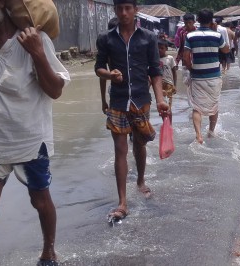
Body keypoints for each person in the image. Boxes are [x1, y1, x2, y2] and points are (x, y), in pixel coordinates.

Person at [0, 0, 70, 265]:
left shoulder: (35, 38)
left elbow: (55, 90)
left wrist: (37, 53)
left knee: (40, 200)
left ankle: (49, 249)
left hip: (29, 140)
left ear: (0, 2)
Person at [95, 0, 169, 221]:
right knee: (120, 150)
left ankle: (140, 180)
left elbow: (155, 72)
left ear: (136, 10)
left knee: (139, 144)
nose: (124, 13)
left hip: (140, 100)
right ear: (115, 11)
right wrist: (109, 75)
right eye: (120, 9)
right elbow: (98, 68)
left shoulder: (148, 38)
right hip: (117, 101)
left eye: (128, 8)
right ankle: (122, 203)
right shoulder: (106, 39)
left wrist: (160, 100)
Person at [183, 8, 229, 144]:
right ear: (212, 20)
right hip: (214, 76)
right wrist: (216, 31)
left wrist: (192, 69)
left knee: (197, 107)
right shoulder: (217, 36)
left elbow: (186, 58)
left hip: (198, 77)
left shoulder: (190, 36)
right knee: (214, 105)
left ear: (197, 21)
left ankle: (198, 135)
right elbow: (226, 49)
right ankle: (211, 132)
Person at [158, 38, 177, 114]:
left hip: (169, 84)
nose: (159, 50)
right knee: (161, 105)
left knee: (168, 105)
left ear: (166, 48)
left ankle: (170, 124)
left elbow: (174, 72)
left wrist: (175, 85)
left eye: (162, 48)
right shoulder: (155, 59)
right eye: (158, 48)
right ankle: (165, 122)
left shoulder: (170, 58)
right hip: (159, 84)